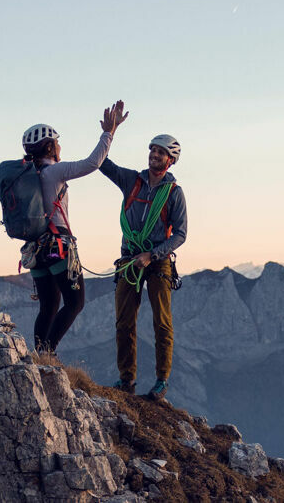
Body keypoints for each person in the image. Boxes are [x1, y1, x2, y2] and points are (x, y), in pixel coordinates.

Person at [18, 101, 130, 356]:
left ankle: (41, 356)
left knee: (48, 306)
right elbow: (92, 163)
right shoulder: (54, 171)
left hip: (35, 249)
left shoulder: (27, 175)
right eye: (57, 142)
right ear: (49, 146)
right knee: (75, 303)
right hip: (58, 245)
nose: (60, 146)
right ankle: (48, 352)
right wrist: (109, 133)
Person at [99, 134, 187, 400]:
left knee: (161, 322)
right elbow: (103, 164)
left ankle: (161, 381)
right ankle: (127, 379)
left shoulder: (174, 193)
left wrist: (153, 254)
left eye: (161, 152)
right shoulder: (132, 182)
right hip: (129, 258)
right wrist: (108, 134)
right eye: (152, 150)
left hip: (157, 260)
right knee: (124, 321)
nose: (154, 155)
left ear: (170, 161)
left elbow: (180, 234)